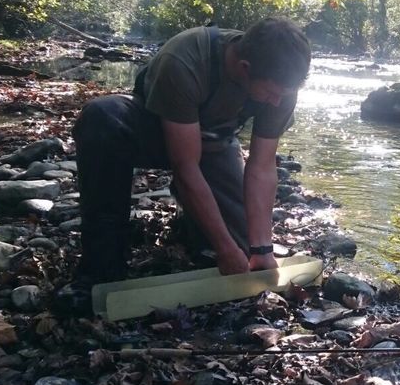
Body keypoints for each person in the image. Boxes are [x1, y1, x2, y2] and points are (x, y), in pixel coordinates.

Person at [56, 17, 311, 312]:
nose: (277, 102)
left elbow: (262, 166)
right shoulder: (185, 59)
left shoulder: (281, 84)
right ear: (245, 69)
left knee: (242, 248)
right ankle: (98, 270)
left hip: (215, 144)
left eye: (284, 94)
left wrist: (262, 249)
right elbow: (185, 166)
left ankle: (191, 226)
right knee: (102, 116)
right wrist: (224, 248)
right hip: (154, 131)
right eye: (272, 93)